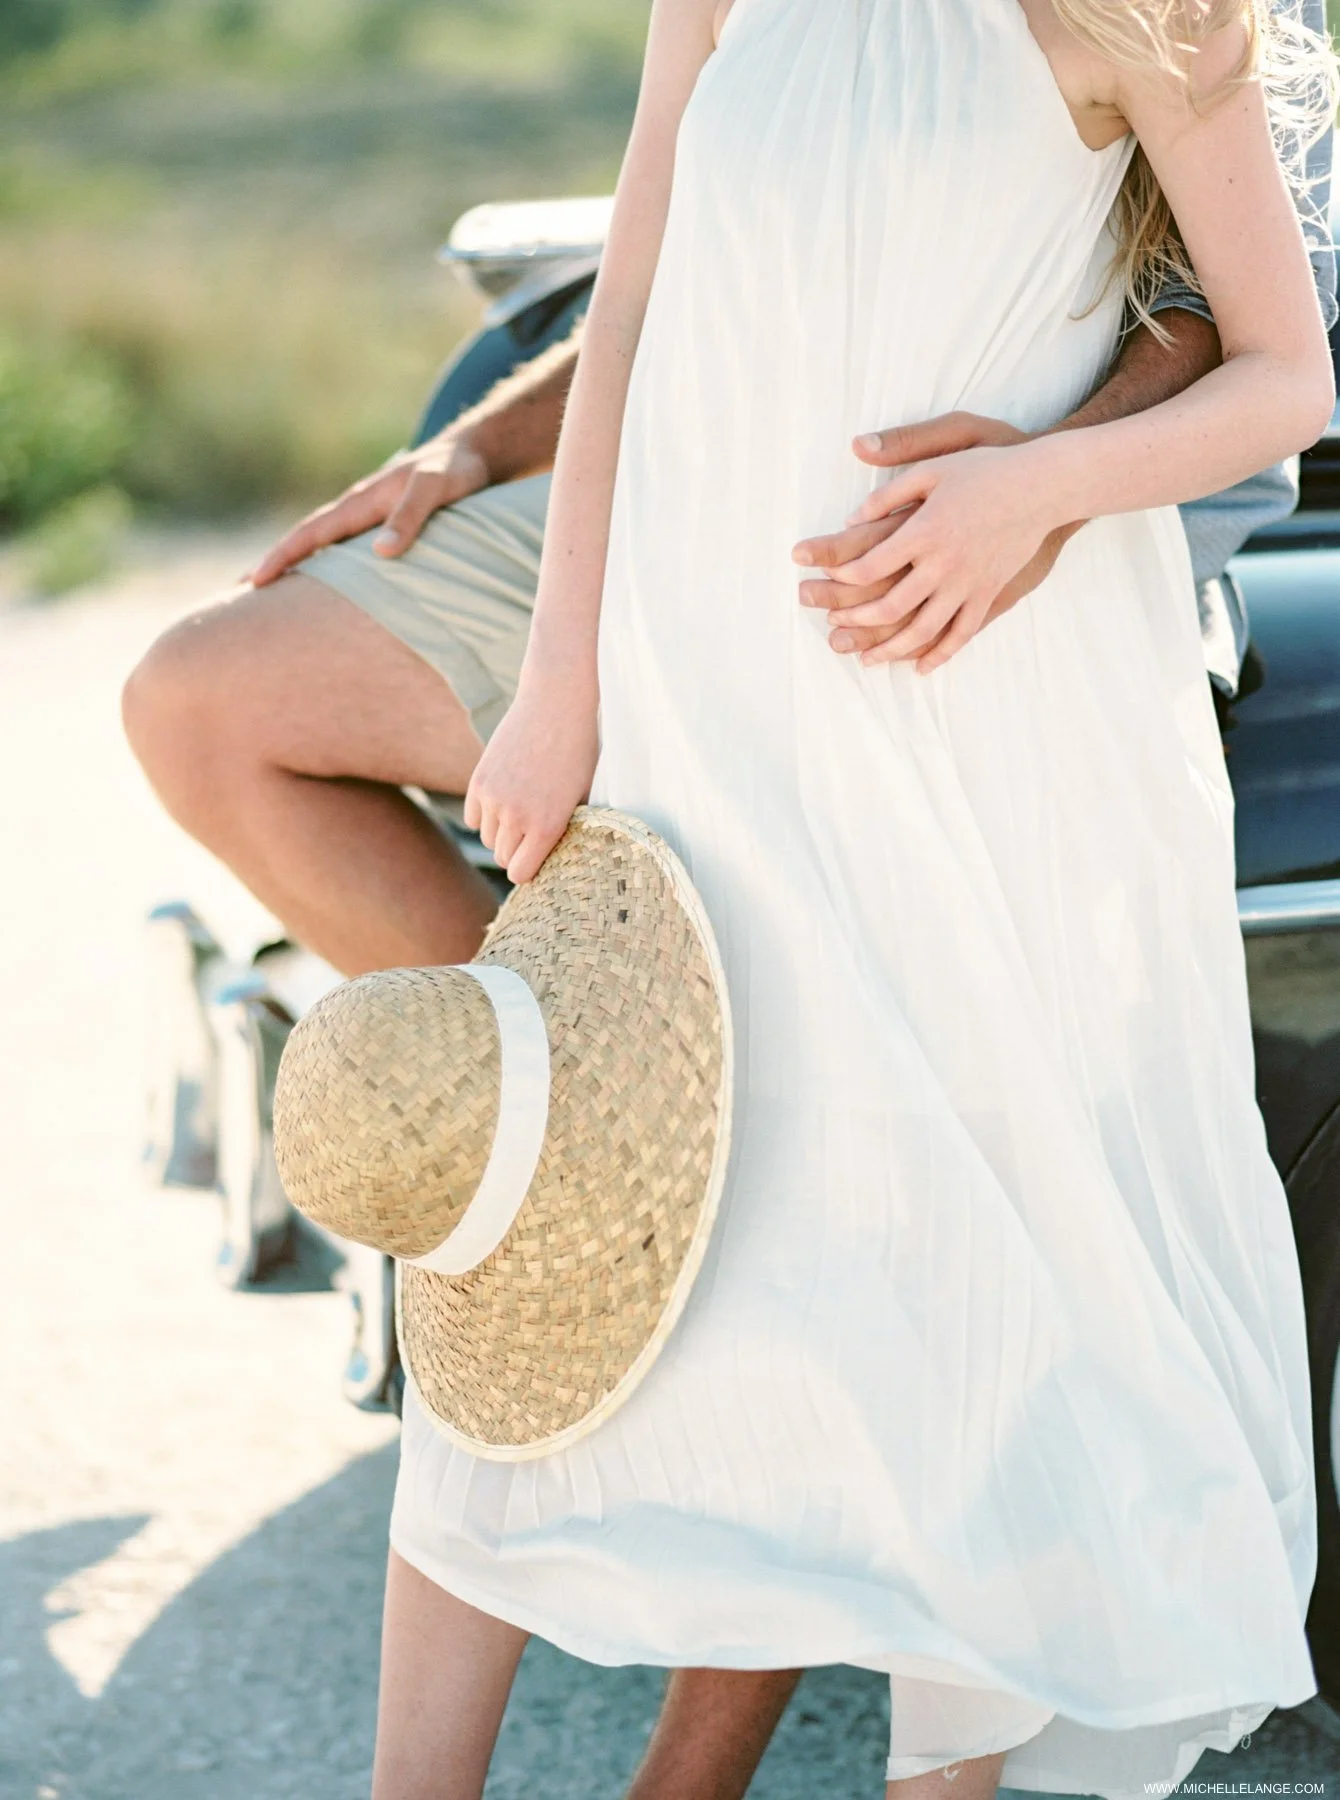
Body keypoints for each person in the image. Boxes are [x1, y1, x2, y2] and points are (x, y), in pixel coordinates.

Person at [118, 6, 1337, 1800]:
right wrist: (559, 683)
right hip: (700, 687)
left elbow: (1279, 371)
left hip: (969, 710)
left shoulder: (1142, 12)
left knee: (949, 1298)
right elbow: (630, 314)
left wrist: (1034, 488)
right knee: (548, 1224)